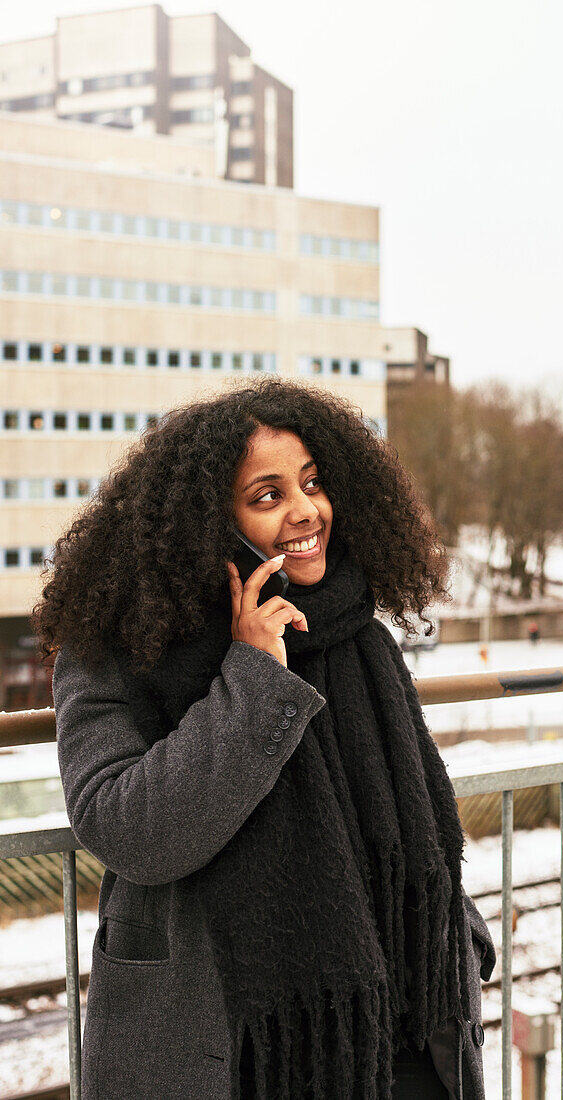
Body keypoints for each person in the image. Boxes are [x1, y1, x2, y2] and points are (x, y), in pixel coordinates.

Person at [34, 377, 495, 1100]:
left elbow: (412, 825)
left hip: (398, 1037)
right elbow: (129, 829)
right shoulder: (117, 646)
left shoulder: (356, 632)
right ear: (206, 524)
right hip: (230, 1046)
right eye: (269, 495)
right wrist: (253, 675)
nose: (307, 511)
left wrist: (460, 944)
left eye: (312, 483)